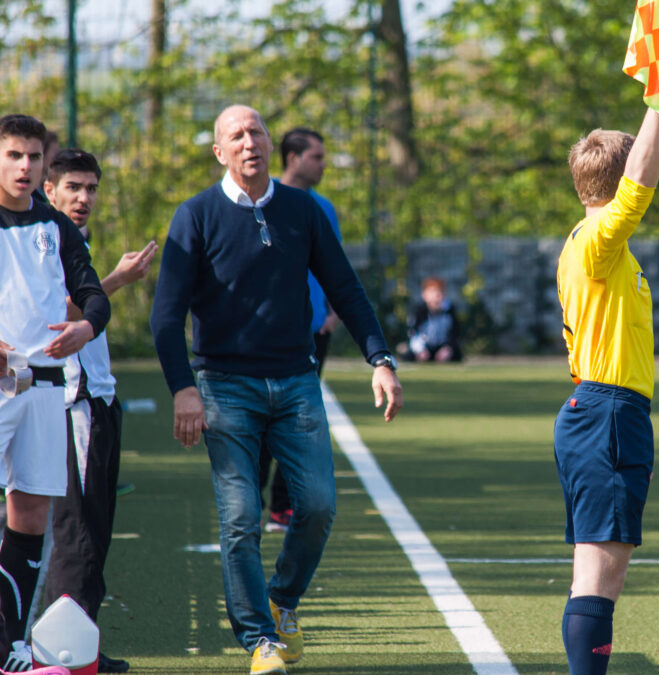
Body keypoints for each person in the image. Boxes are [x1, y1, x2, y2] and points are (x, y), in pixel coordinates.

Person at [150, 105, 402, 675]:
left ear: (270, 143)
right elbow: (166, 317)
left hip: (296, 382)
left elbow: (346, 288)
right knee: (240, 516)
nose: (248, 142)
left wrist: (380, 359)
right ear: (219, 152)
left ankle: (282, 601)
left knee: (315, 506)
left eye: (256, 131)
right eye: (235, 135)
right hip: (222, 386)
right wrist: (183, 390)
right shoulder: (195, 216)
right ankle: (259, 640)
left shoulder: (303, 209)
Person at [552, 72, 659, 675]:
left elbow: (635, 182)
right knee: (600, 570)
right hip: (606, 412)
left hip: (606, 413)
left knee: (601, 566)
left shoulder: (592, 245)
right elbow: (640, 184)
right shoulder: (599, 241)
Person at [38, 149, 157, 674]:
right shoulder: (41, 240)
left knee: (97, 528)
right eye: (73, 188)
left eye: (91, 188)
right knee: (77, 530)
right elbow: (55, 316)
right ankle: (56, 652)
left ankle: (79, 643)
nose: (83, 198)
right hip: (72, 401)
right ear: (50, 190)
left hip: (98, 398)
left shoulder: (71, 239)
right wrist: (115, 280)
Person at [0, 113, 110, 675]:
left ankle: (12, 646)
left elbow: (93, 293)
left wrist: (85, 327)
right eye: (14, 155)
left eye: (34, 156)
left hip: (45, 388)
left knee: (32, 515)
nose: (25, 166)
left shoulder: (55, 226)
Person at [258, 128, 343, 535]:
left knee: (298, 420)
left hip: (313, 332)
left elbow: (333, 266)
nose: (323, 165)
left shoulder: (323, 207)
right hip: (271, 332)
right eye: (317, 157)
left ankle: (282, 506)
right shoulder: (264, 200)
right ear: (292, 157)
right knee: (258, 417)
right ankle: (248, 506)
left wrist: (332, 312)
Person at [398, 277, 462, 362]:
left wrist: (448, 348)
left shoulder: (449, 311)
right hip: (424, 347)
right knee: (408, 354)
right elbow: (413, 333)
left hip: (441, 347)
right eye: (432, 292)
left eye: (439, 292)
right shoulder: (419, 311)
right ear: (424, 295)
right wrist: (420, 349)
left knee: (456, 354)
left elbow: (455, 333)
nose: (436, 296)